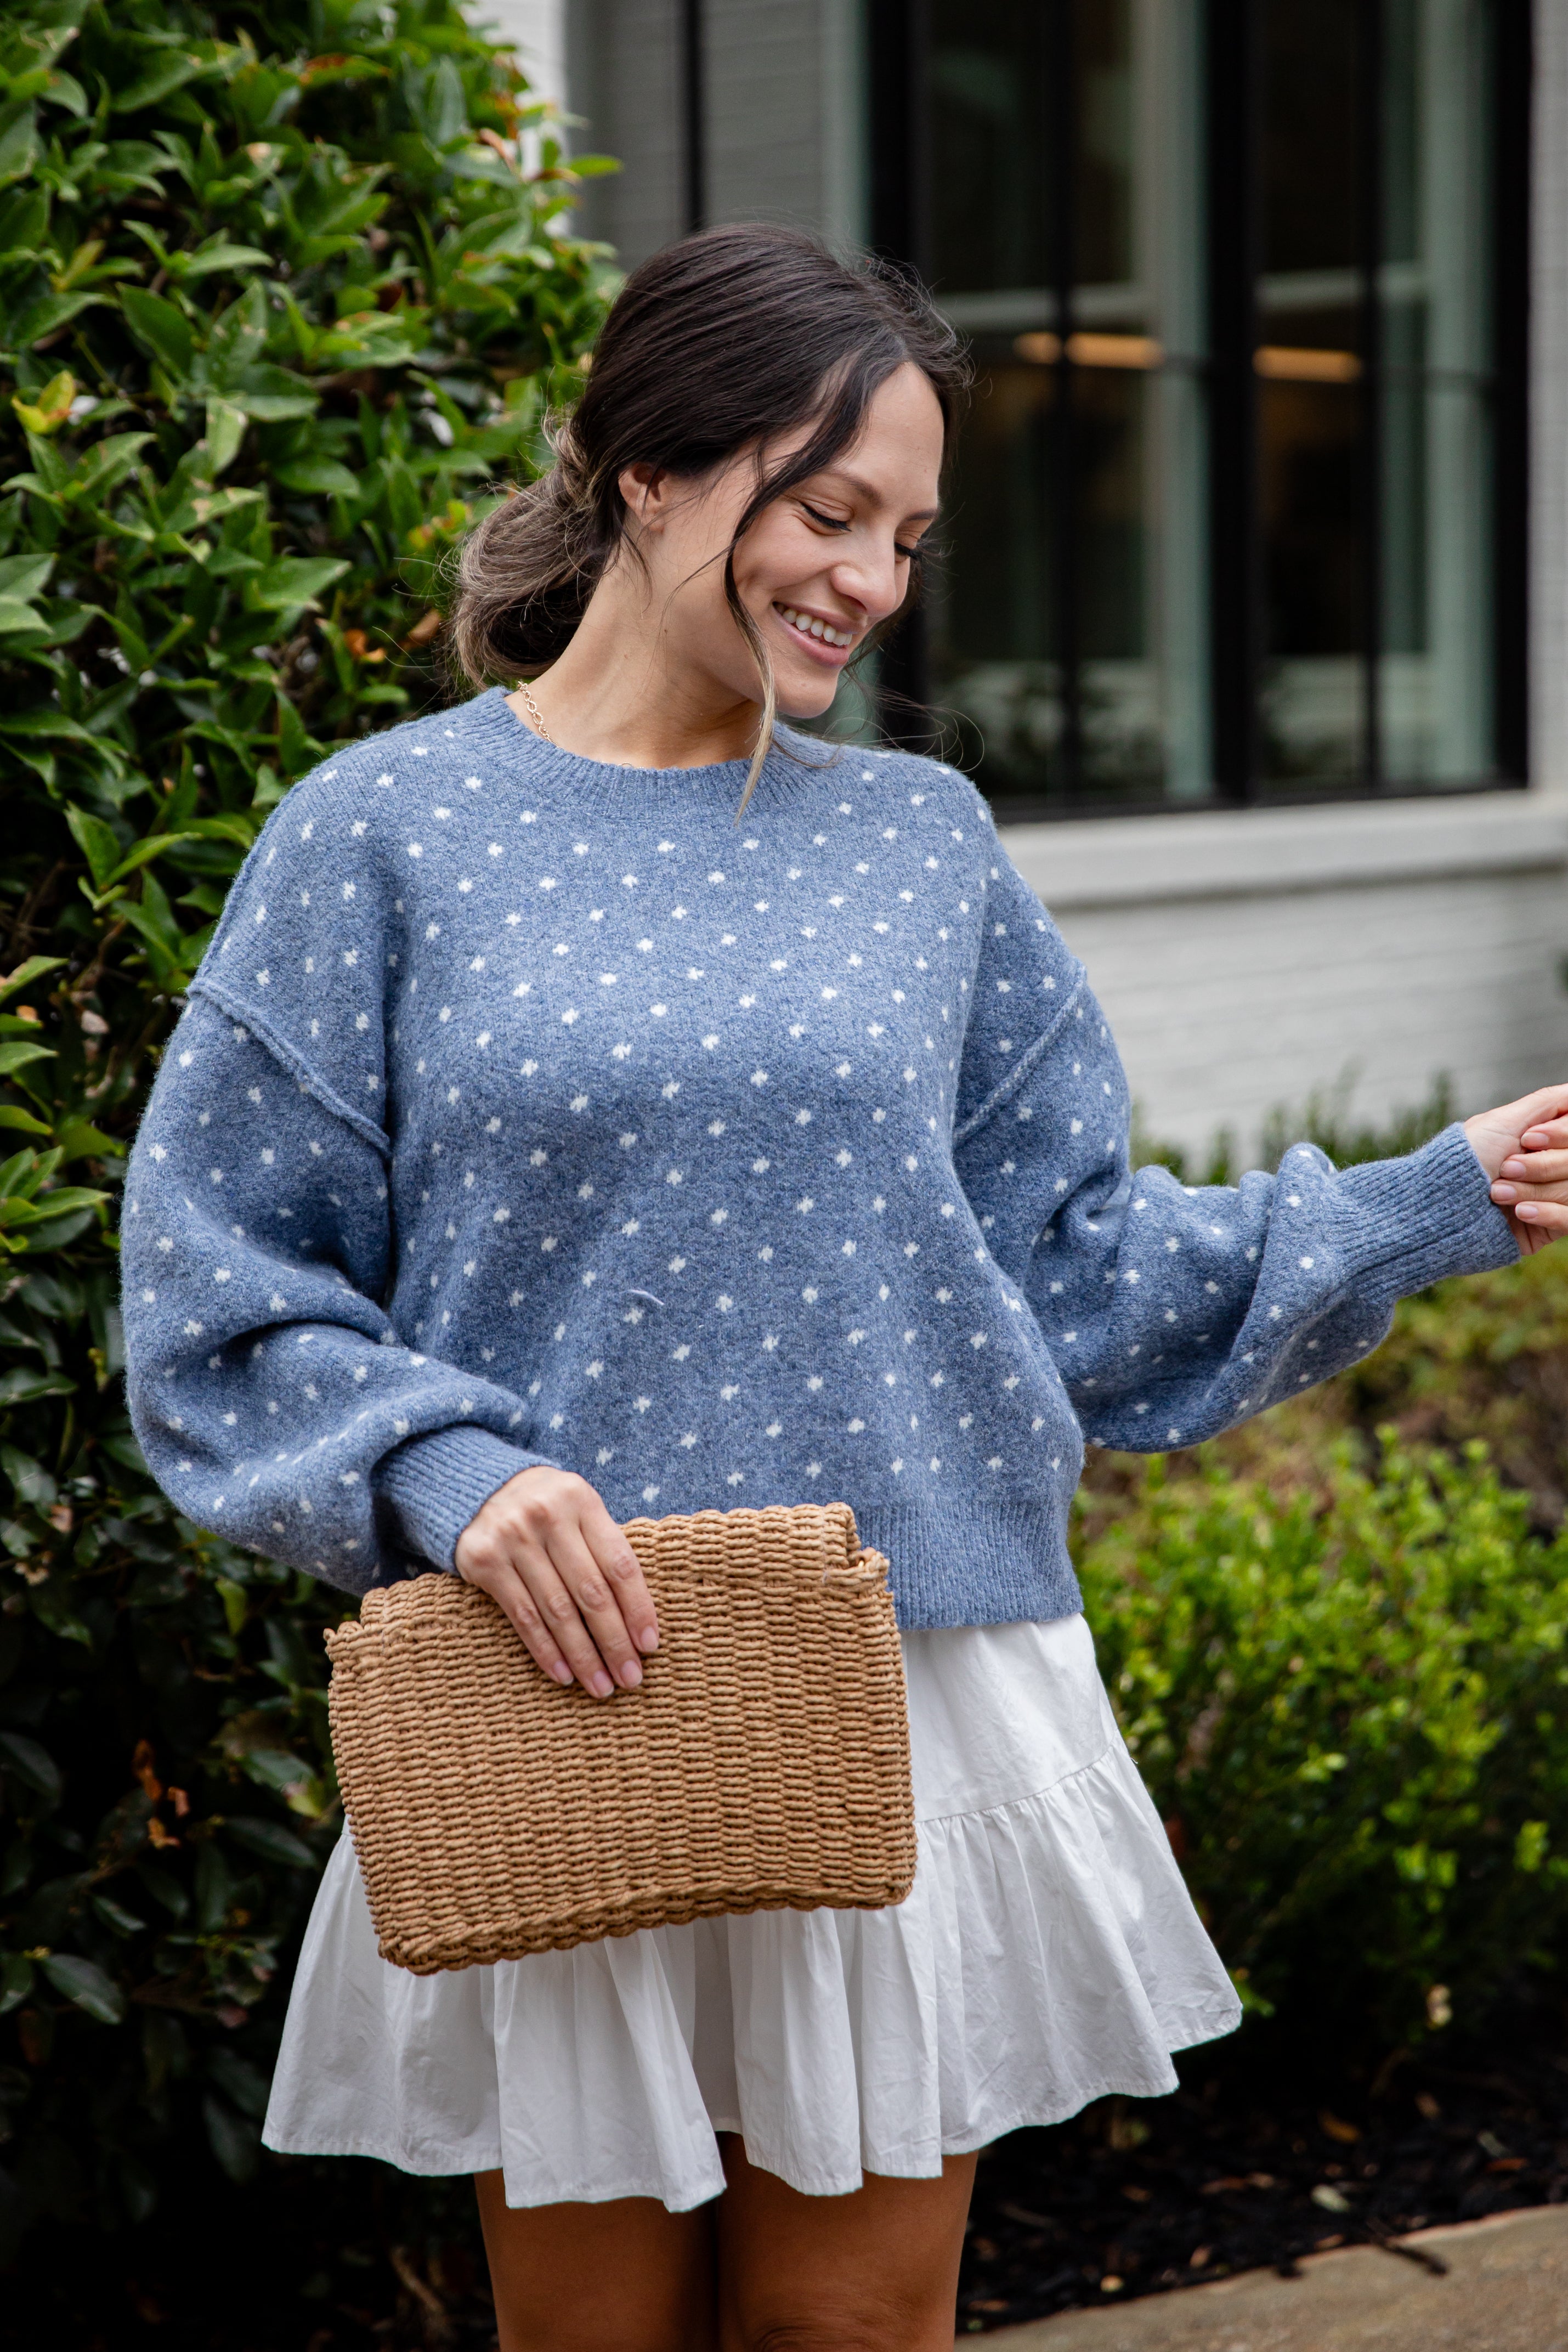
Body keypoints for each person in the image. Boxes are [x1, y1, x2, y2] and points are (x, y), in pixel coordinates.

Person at [120, 225, 1568, 2352]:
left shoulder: (922, 843)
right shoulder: (383, 836)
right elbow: (212, 1283)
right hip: (559, 1689)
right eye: (829, 513)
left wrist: (1432, 1195)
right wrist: (442, 1465)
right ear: (651, 473)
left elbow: (1071, 1266)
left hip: (902, 1683)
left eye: (907, 535)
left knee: (844, 2338)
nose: (872, 583)